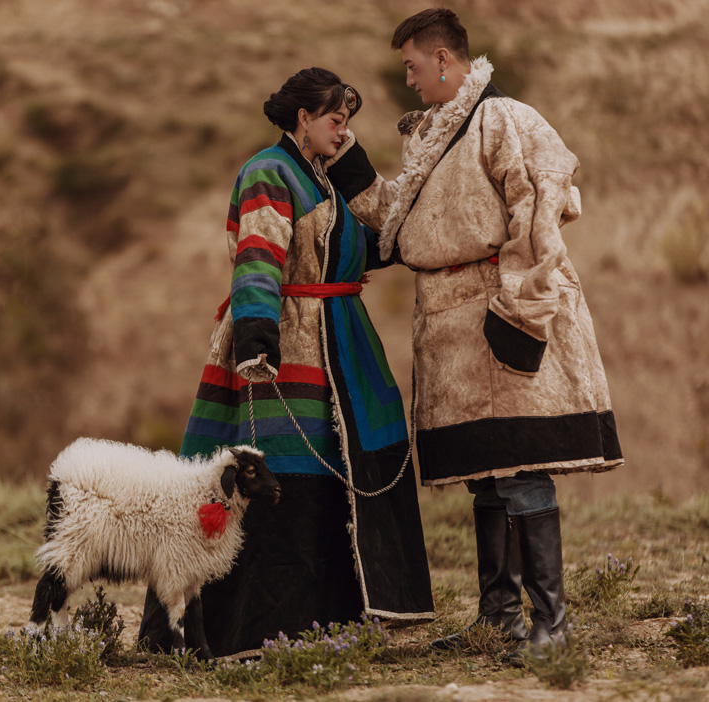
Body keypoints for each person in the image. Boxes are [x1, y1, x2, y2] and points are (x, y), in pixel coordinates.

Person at [324, 8, 624, 663]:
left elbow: (542, 208)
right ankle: (499, 619)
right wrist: (347, 164)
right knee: (486, 475)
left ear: (442, 59)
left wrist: (518, 308)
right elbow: (400, 228)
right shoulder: (430, 136)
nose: (407, 80)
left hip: (498, 307)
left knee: (520, 467)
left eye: (411, 66)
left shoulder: (505, 118)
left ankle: (554, 624)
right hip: (450, 328)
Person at [138, 67, 435, 659]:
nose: (342, 127)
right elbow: (257, 258)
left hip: (345, 347)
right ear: (302, 117)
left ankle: (334, 621)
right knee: (282, 477)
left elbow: (395, 236)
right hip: (284, 343)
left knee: (334, 481)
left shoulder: (334, 180)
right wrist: (256, 340)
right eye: (333, 117)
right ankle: (250, 630)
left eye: (348, 119)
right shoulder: (269, 172)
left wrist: (355, 167)